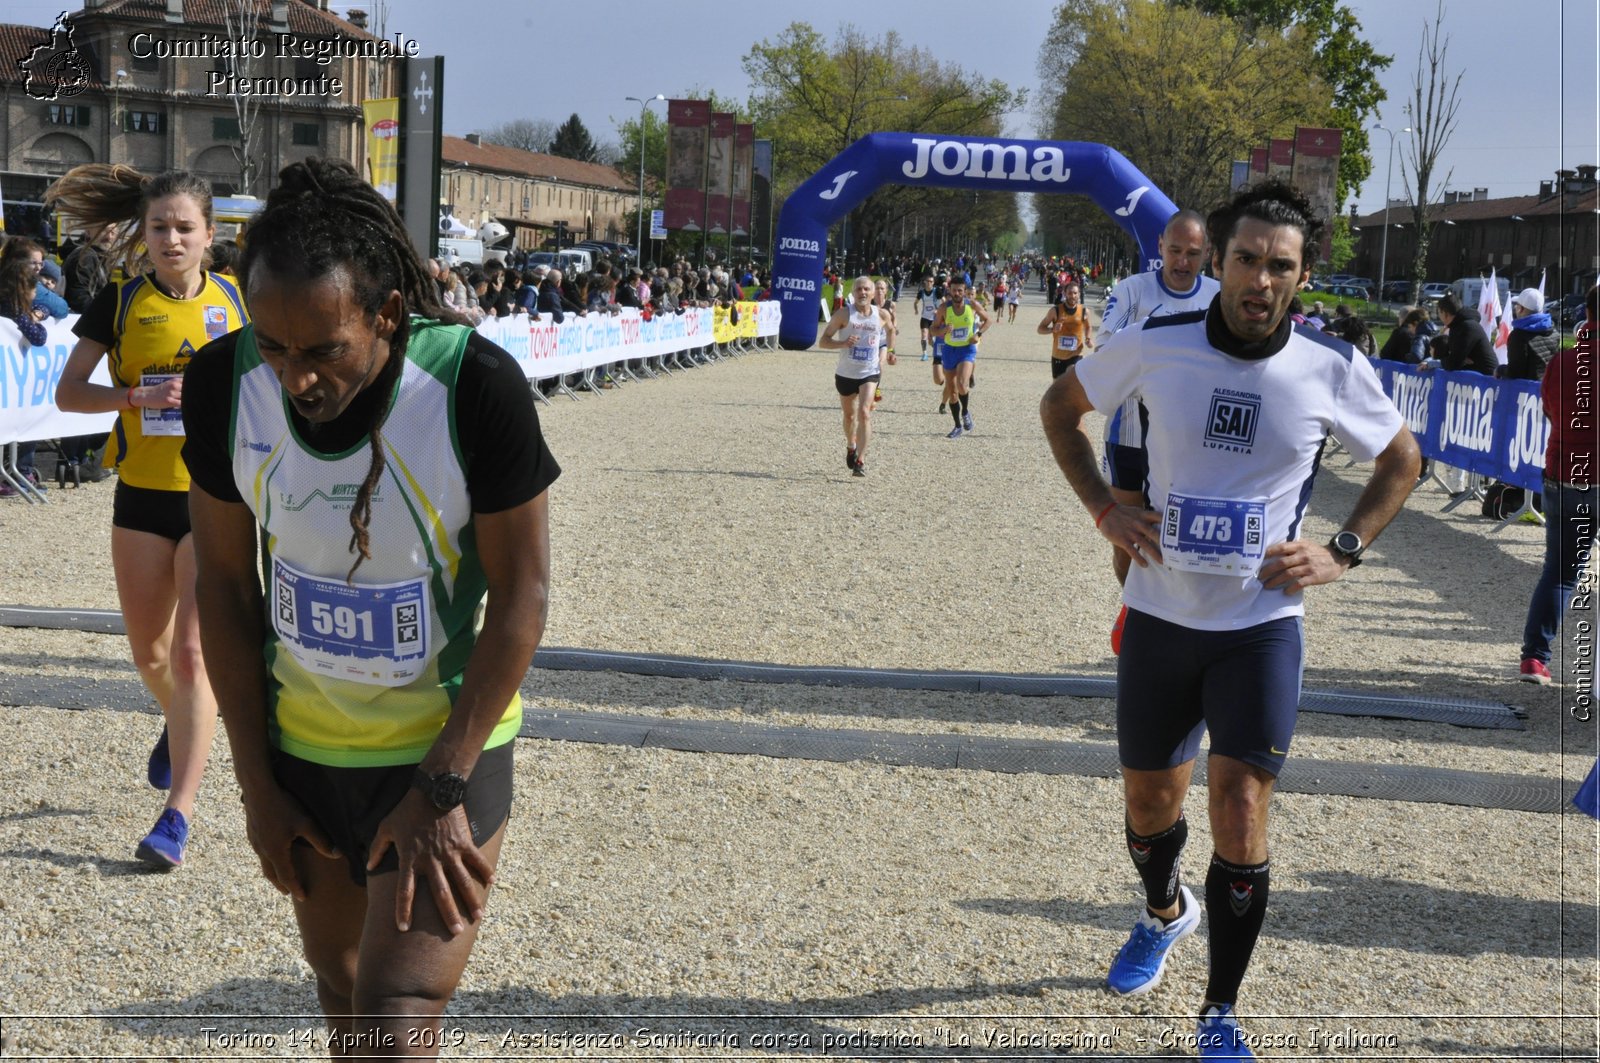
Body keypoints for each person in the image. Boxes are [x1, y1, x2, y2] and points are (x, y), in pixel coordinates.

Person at [183, 158, 558, 1055]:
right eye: (272, 346)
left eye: (322, 350)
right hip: (304, 751)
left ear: (386, 313)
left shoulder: (474, 387)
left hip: (443, 751)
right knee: (345, 991)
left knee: (397, 1012)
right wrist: (255, 783)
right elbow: (226, 591)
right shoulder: (222, 386)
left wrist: (441, 785)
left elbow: (523, 595)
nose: (294, 379)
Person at [1040, 179, 1420, 1060]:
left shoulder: (1330, 368)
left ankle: (1218, 1011)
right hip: (1162, 617)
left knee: (1241, 805)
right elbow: (1061, 411)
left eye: (1279, 265)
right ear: (1215, 263)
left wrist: (1343, 549)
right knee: (1148, 807)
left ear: (1303, 275)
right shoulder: (1155, 344)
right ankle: (1165, 911)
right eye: (1244, 259)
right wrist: (1105, 509)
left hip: (1260, 627)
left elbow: (1401, 457)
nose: (1259, 279)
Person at [46, 165, 250, 867]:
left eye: (184, 227)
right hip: (140, 494)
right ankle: (180, 720)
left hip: (213, 496)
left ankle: (177, 816)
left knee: (195, 653)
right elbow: (69, 393)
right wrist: (132, 400)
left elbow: (267, 389)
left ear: (208, 234)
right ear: (146, 233)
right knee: (151, 652)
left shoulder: (236, 300)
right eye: (159, 226)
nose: (171, 238)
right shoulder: (122, 301)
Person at [1093, 209, 1222, 651]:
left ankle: (1182, 619)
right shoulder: (1133, 290)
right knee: (1129, 532)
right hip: (1130, 432)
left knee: (1181, 529)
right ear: (1160, 247)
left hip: (1190, 437)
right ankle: (1133, 605)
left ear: (1206, 254)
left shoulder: (1218, 296)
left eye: (1192, 253)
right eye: (1174, 251)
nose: (1182, 262)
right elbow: (1105, 347)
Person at [1517, 284, 1596, 684]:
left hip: (1564, 473)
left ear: (1587, 311)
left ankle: (1534, 658)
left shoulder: (1562, 362)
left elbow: (1550, 411)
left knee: (1560, 573)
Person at [818, 275, 896, 476]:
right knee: (849, 415)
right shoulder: (844, 314)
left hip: (869, 372)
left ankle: (860, 460)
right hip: (845, 373)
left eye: (866, 290)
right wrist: (842, 344)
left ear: (873, 293)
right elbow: (823, 341)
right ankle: (851, 444)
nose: (863, 293)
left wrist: (891, 352)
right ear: (853, 293)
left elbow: (891, 331)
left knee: (864, 412)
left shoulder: (882, 314)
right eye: (859, 289)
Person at [930, 275, 990, 438]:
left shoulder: (972, 305)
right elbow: (933, 329)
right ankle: (957, 426)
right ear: (950, 290)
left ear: (965, 291)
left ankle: (965, 412)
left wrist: (978, 334)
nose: (957, 293)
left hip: (966, 349)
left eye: (960, 290)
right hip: (949, 350)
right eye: (954, 290)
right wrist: (942, 331)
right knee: (952, 391)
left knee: (963, 384)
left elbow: (988, 320)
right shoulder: (944, 308)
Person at [1037, 279, 1093, 378]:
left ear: (1079, 294)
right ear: (1065, 294)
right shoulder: (1055, 311)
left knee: (1070, 378)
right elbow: (1040, 329)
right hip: (1058, 356)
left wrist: (1088, 338)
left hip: (1076, 354)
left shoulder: (1084, 311)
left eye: (1075, 293)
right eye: (1070, 293)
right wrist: (1053, 329)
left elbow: (1088, 326)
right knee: (1058, 387)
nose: (1073, 296)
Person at [1433, 292, 1497, 376]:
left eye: (1439, 313)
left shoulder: (1467, 327)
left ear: (1445, 314)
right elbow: (1454, 357)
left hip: (1486, 380)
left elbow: (1454, 362)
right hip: (1473, 377)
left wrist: (1456, 360)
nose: (1439, 317)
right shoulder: (1457, 326)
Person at [1504, 288, 1558, 382]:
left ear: (1521, 309)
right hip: (1546, 389)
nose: (1515, 308)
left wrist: (1501, 370)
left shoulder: (1518, 336)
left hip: (1526, 393)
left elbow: (1515, 372)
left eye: (1516, 305)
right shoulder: (1554, 331)